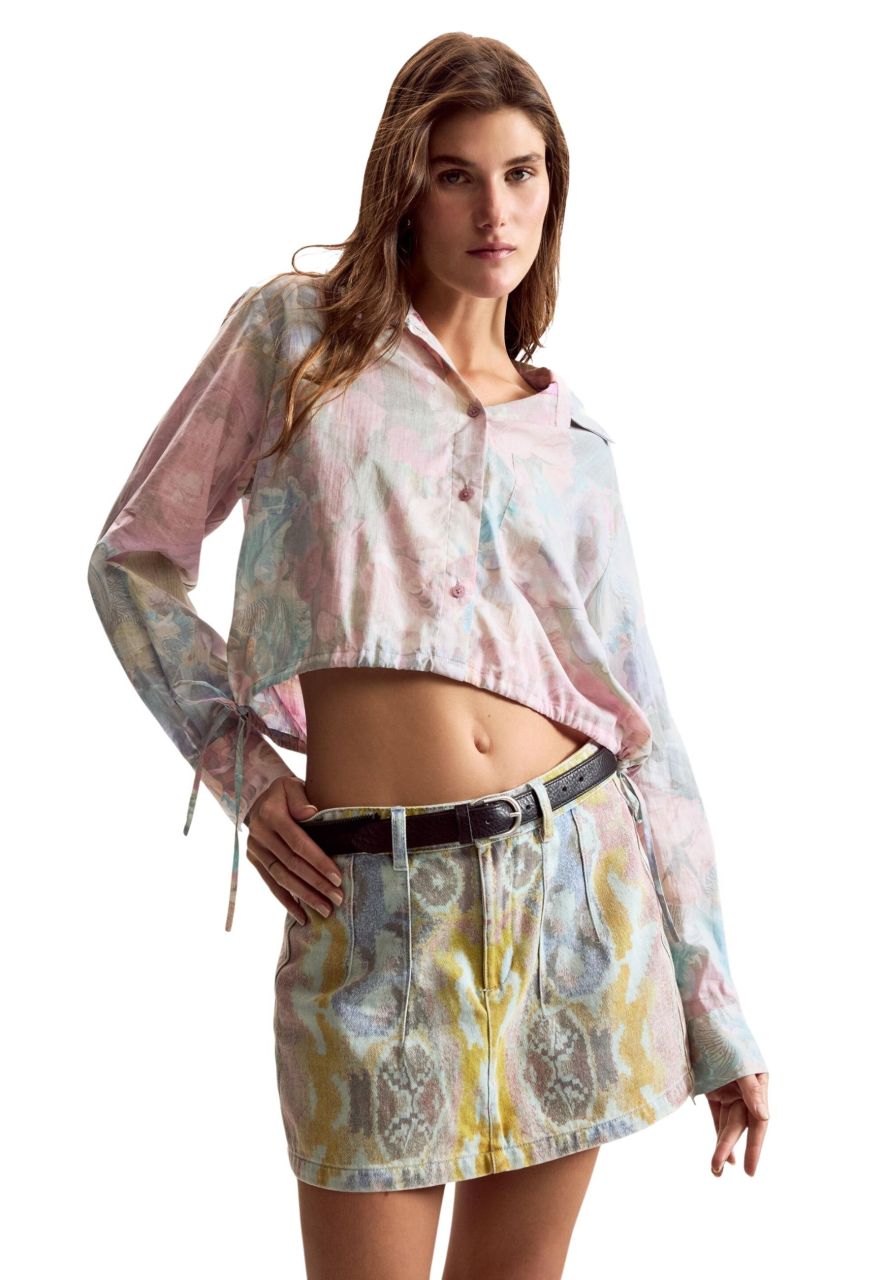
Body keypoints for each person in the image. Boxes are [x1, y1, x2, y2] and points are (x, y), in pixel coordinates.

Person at [87, 31, 770, 1280]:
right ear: (405, 186)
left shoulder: (572, 440)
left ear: (552, 191)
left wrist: (717, 1014)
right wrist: (241, 766)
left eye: (521, 174)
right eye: (456, 175)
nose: (494, 210)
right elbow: (131, 559)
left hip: (575, 906)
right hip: (371, 909)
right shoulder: (297, 342)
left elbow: (642, 724)